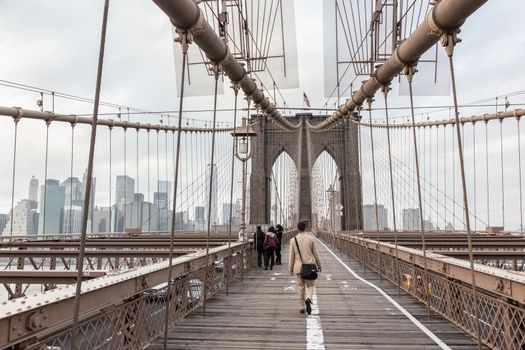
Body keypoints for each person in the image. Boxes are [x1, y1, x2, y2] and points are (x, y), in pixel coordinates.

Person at [289, 221, 322, 315]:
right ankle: (308, 298)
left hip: (298, 267)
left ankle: (301, 307)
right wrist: (319, 265)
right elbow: (315, 253)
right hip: (310, 266)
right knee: (310, 285)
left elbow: (291, 256)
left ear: (297, 228)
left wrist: (290, 269)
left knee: (301, 286)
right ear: (305, 228)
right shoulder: (311, 239)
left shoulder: (293, 240)